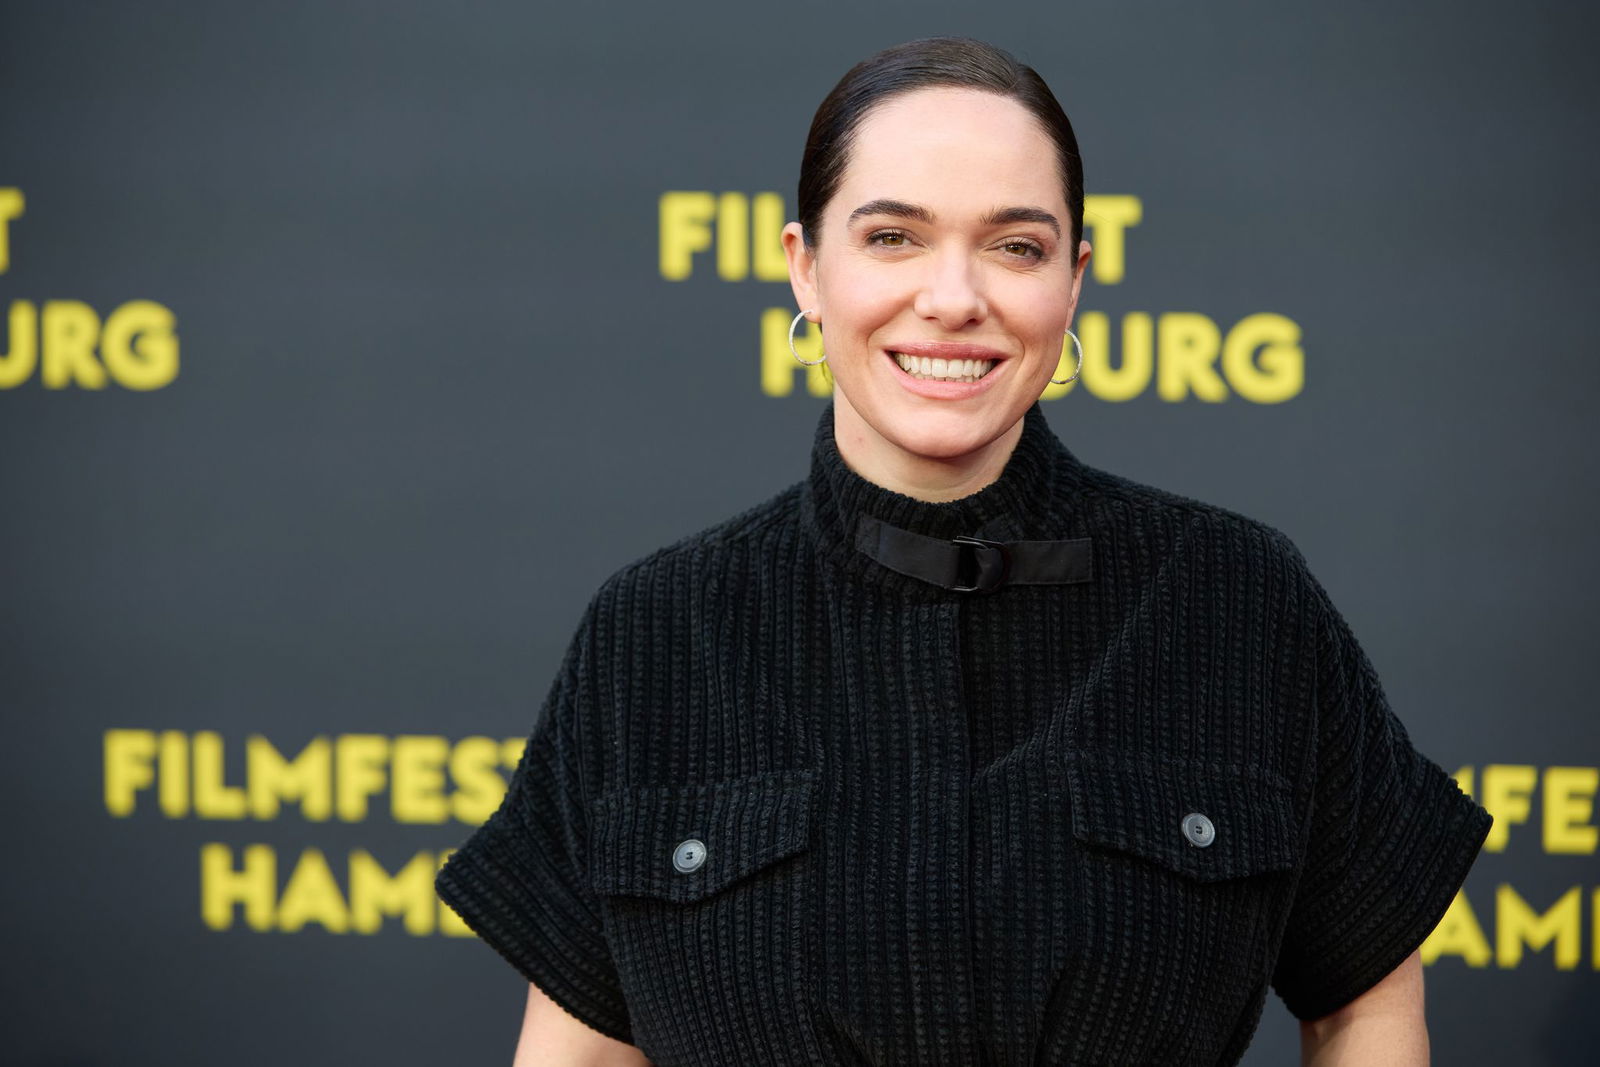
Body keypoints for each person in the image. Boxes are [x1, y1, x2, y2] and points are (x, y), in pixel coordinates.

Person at [436, 37, 1492, 1066]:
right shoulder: (657, 633)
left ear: (1073, 280)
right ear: (805, 269)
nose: (953, 297)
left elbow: (1366, 1004)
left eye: (1015, 245)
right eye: (892, 237)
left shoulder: (1234, 599)